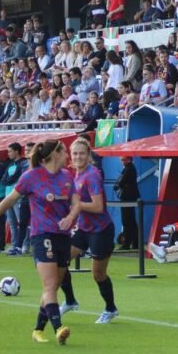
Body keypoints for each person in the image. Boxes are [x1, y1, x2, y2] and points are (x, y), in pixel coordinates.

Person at [0, 140, 81, 345]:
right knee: (49, 284)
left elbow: (76, 203)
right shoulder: (31, 176)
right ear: (55, 154)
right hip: (42, 235)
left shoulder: (67, 176)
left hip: (63, 236)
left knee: (54, 285)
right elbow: (10, 199)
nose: (68, 155)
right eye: (65, 151)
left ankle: (38, 330)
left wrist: (70, 217)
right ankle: (58, 328)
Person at [66, 138, 118, 324]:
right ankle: (70, 301)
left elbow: (98, 207)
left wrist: (77, 205)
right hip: (84, 228)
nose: (78, 157)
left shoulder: (92, 175)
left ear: (88, 155)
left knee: (98, 274)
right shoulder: (75, 175)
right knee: (60, 261)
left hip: (100, 230)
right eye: (75, 153)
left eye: (82, 153)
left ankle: (110, 309)